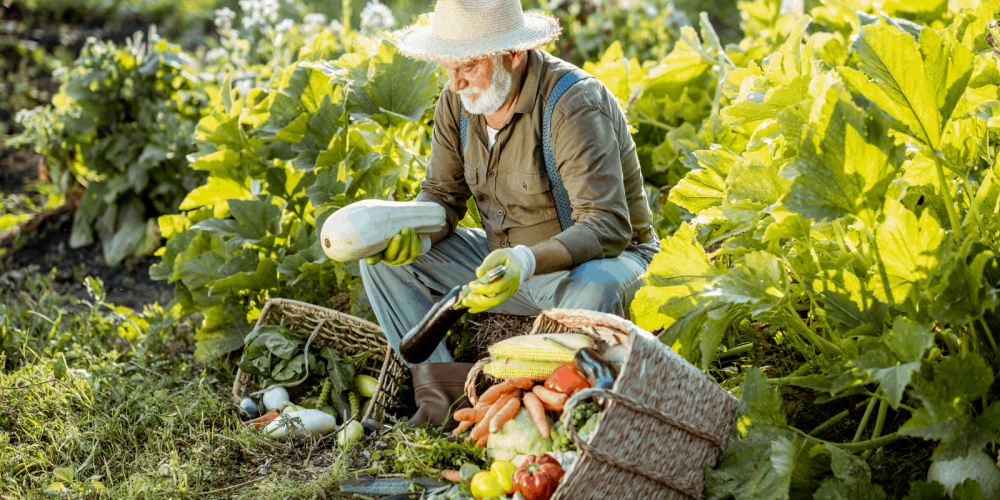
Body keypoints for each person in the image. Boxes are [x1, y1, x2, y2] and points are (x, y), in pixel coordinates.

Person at [359, 0, 660, 427]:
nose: (457, 81)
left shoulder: (572, 103)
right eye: (448, 67)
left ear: (513, 53)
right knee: (382, 262)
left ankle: (564, 410)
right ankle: (444, 398)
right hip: (507, 266)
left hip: (592, 265)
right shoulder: (457, 101)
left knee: (594, 292)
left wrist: (527, 261)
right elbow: (442, 197)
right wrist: (412, 228)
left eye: (468, 65)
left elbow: (608, 225)